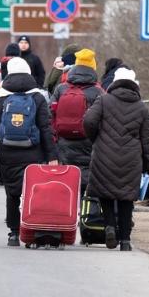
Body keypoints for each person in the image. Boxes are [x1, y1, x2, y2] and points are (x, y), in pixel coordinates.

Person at [0, 57, 58, 247]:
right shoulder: (38, 97)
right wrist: (52, 157)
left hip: (7, 153)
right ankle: (32, 230)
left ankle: (14, 233)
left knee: (12, 194)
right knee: (34, 192)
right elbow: (46, 129)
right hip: (34, 153)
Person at [83, 68, 149, 251]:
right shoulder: (141, 107)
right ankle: (125, 241)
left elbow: (89, 120)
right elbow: (146, 140)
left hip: (104, 155)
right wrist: (148, 164)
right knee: (125, 199)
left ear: (115, 82)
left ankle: (109, 226)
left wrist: (96, 138)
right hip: (131, 159)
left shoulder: (104, 100)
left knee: (105, 193)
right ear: (134, 84)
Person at [51, 49, 103, 195]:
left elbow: (50, 115)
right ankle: (86, 212)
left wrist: (54, 139)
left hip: (64, 142)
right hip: (89, 142)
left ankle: (69, 211)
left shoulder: (61, 88)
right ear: (93, 67)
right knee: (87, 175)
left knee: (68, 176)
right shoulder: (98, 91)